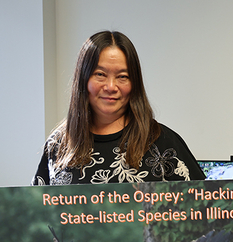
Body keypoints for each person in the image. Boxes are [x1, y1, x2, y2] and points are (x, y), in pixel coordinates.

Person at [32, 31, 205, 185]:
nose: (111, 86)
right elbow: (37, 213)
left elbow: (204, 208)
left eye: (122, 76)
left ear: (134, 83)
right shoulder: (59, 144)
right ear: (83, 79)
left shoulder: (162, 142)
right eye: (100, 74)